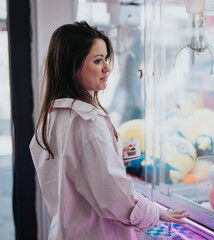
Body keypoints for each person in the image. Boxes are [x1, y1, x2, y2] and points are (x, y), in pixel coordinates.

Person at [29, 21, 189, 240]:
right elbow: (115, 197)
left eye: (106, 59)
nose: (107, 68)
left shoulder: (50, 118)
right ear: (72, 66)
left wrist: (114, 154)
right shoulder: (88, 123)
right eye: (97, 61)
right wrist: (157, 213)